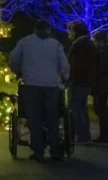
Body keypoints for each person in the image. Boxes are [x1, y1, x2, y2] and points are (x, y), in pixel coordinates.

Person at [9, 20, 69, 162]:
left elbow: (14, 59)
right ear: (48, 30)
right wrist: (65, 78)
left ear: (35, 29)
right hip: (51, 86)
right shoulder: (55, 45)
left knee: (34, 120)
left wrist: (18, 72)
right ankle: (55, 150)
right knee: (53, 119)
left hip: (31, 85)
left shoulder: (25, 42)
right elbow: (64, 65)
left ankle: (38, 151)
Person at [67, 21, 96, 144]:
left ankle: (81, 135)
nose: (69, 34)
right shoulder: (89, 44)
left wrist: (69, 78)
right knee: (82, 108)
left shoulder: (79, 45)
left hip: (78, 81)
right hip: (85, 81)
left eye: (71, 32)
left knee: (76, 108)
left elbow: (75, 65)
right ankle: (84, 134)